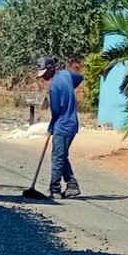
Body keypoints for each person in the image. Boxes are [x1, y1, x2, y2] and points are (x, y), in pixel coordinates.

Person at [39, 56, 84, 198]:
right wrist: (69, 90)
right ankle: (72, 186)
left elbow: (56, 111)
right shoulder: (66, 75)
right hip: (72, 124)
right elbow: (80, 77)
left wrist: (51, 127)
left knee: (57, 157)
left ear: (52, 68)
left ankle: (55, 189)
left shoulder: (54, 87)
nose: (43, 76)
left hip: (63, 125)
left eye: (45, 72)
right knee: (62, 155)